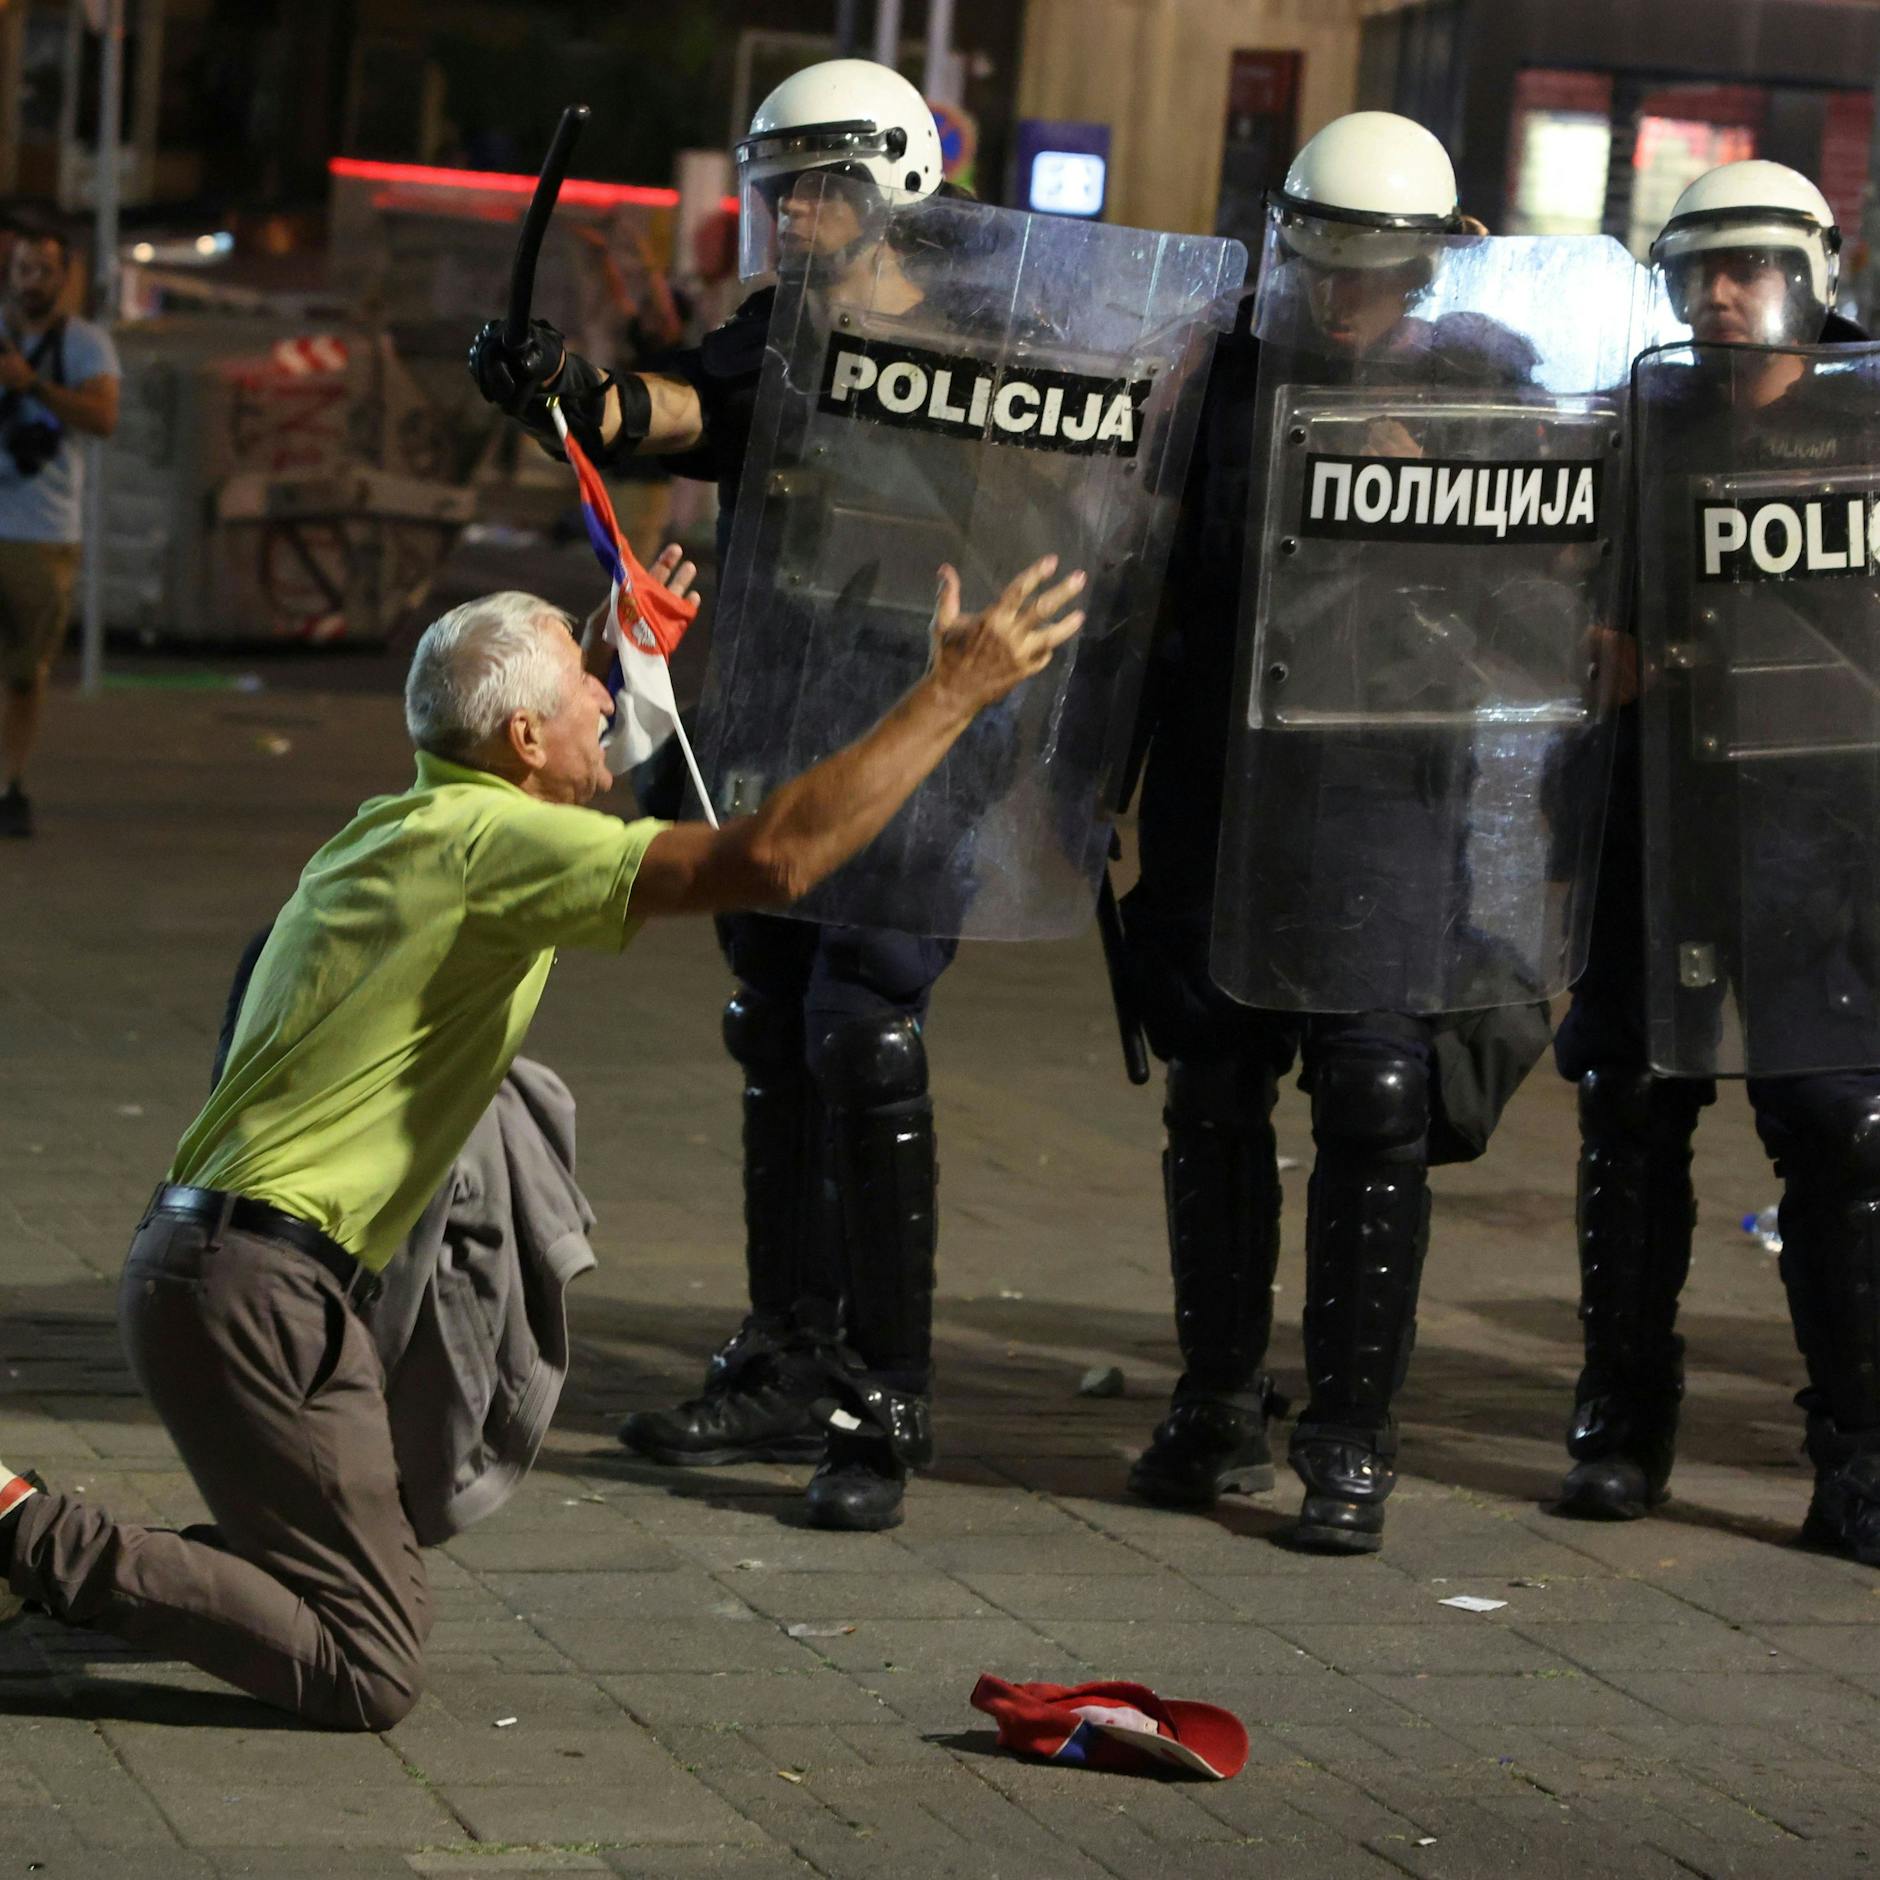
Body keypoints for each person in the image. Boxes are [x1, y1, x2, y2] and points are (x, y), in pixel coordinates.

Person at [0, 555, 1086, 1730]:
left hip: (216, 1267)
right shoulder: (492, 852)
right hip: (258, 1290)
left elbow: (560, 778)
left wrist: (614, 647)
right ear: (521, 733)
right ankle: (18, 1525)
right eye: (587, 685)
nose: (609, 703)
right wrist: (952, 693)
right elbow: (769, 858)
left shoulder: (407, 822)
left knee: (360, 1558)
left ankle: (43, 1560)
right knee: (367, 1666)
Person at [470, 59, 973, 1532]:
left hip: (920, 732)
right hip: (774, 727)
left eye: (828, 180)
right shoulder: (780, 336)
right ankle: (788, 1351)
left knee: (862, 1034)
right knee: (776, 1022)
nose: (800, 207)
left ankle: (886, 1399)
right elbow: (669, 412)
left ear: (896, 182)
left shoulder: (995, 358)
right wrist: (562, 388)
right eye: (784, 184)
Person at [1118, 112, 1610, 1554]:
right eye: (1323, 264)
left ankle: (1349, 1437)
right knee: (1213, 1092)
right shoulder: (1226, 381)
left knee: (1376, 1096)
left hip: (1394, 798)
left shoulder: (1494, 391)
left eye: (1373, 271)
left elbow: (1553, 601)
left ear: (1432, 268)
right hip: (1225, 789)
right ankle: (1218, 1401)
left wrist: (1443, 503)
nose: (1343, 298)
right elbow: (1153, 578)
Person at [1551, 160, 1880, 1564]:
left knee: (1832, 1126)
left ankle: (1857, 1454)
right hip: (1660, 831)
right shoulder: (1638, 427)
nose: (1727, 298)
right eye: (1702, 273)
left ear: (1818, 272)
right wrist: (1597, 655)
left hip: (1827, 844)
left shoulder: (1870, 425)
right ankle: (1622, 1426)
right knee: (1631, 1116)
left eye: (1753, 269)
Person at [0, 216, 120, 837]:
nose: (31, 283)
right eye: (23, 269)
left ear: (62, 276)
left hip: (43, 531)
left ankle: (10, 783)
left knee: (26, 672)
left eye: (44, 271)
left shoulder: (84, 345)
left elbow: (102, 418)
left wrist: (32, 386)